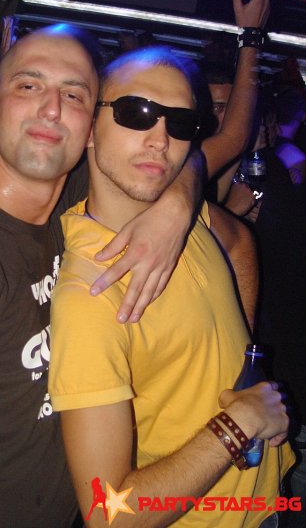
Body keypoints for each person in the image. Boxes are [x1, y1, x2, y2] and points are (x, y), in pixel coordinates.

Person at [0, 23, 201, 528]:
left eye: (73, 95)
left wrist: (174, 210)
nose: (51, 109)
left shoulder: (70, 192)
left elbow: (190, 152)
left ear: (91, 128)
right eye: (28, 86)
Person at [49, 45, 293, 528]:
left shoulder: (182, 212)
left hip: (267, 499)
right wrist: (241, 422)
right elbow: (108, 513)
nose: (160, 139)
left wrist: (246, 361)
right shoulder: (89, 298)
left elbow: (240, 240)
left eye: (180, 122)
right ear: (90, 128)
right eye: (135, 113)